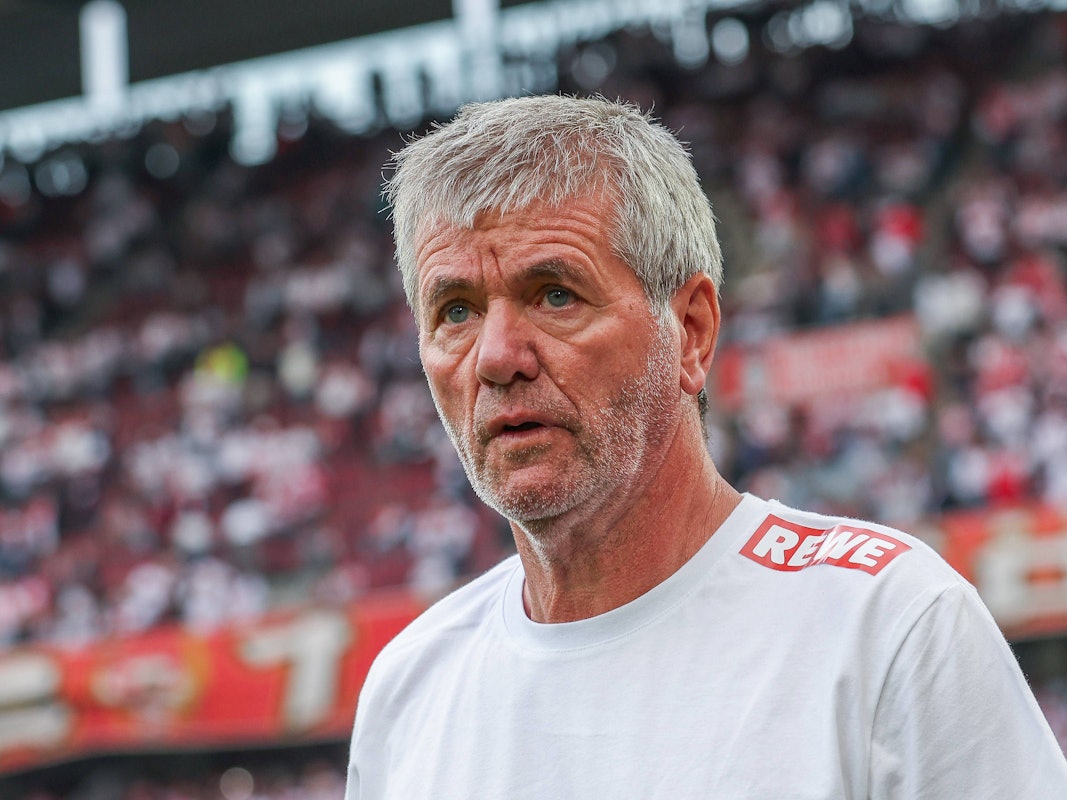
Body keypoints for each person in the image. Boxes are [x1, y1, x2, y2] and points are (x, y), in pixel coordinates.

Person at [345, 94, 1067, 798]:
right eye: (457, 311)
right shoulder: (407, 690)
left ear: (689, 330)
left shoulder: (888, 625)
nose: (496, 356)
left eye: (554, 294)